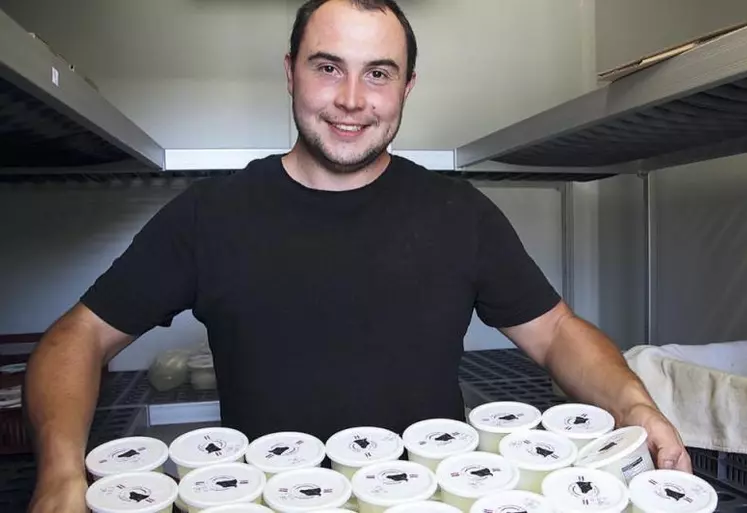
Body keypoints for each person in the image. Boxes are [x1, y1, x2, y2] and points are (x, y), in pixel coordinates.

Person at [26, 0, 691, 511]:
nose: (351, 99)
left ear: (406, 87)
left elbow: (553, 332)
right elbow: (77, 336)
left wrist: (634, 406)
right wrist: (60, 472)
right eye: (327, 67)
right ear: (290, 74)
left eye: (378, 74)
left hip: (430, 494)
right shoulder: (210, 214)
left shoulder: (457, 213)